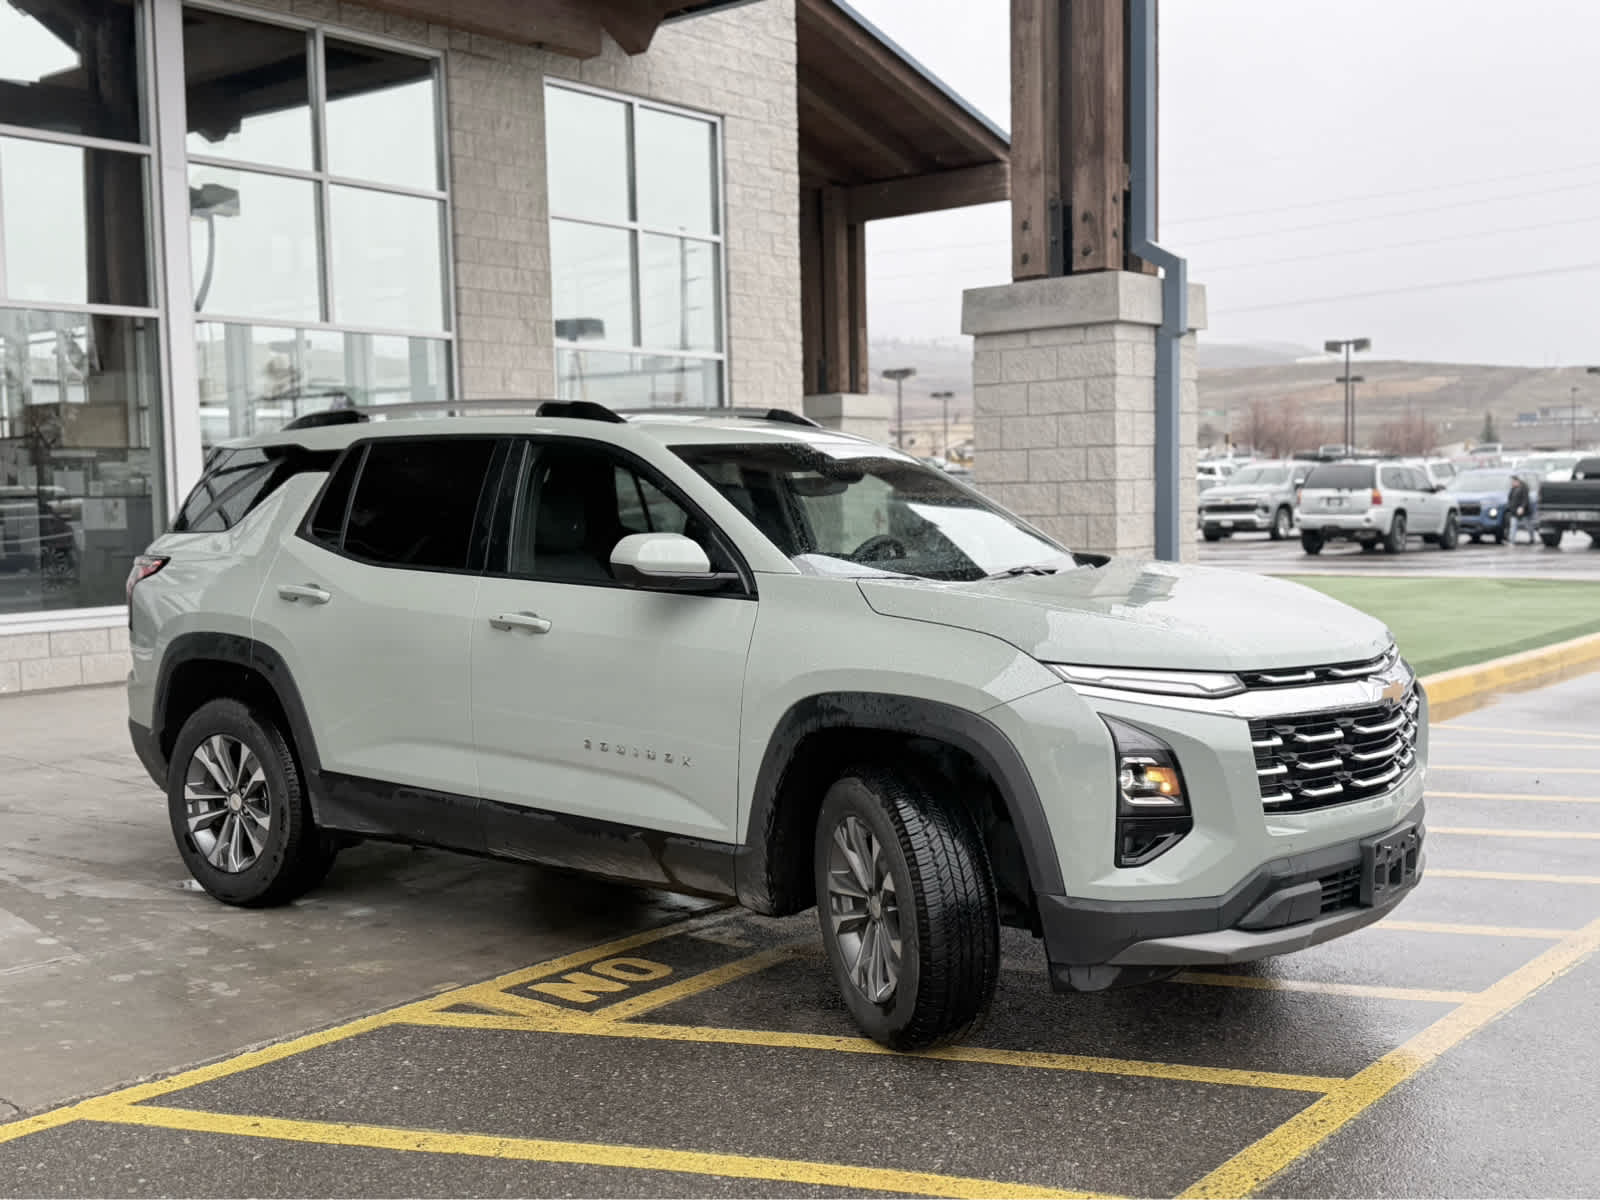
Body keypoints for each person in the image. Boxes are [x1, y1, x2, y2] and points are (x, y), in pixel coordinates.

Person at [1505, 474, 1534, 544]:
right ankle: (1512, 541)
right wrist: (1509, 506)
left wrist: (1522, 507)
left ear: (1517, 481)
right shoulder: (1513, 488)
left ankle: (1532, 538)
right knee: (1513, 526)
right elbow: (1510, 498)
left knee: (1528, 525)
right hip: (1514, 511)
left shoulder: (1523, 488)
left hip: (1523, 511)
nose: (1511, 483)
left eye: (1512, 481)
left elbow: (1525, 499)